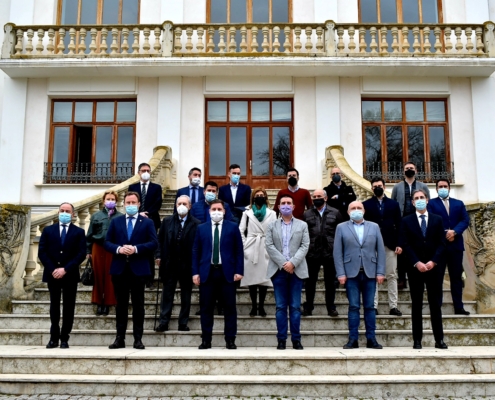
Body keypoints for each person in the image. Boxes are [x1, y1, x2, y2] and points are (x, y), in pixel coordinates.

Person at [104, 191, 158, 350]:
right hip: (119, 269)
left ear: (139, 204)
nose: (130, 205)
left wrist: (135, 249)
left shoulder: (147, 222)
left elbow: (154, 243)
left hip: (138, 269)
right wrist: (119, 249)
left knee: (138, 305)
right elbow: (107, 242)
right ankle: (119, 338)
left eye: (133, 202)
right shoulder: (116, 221)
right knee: (120, 306)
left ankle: (138, 339)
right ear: (124, 204)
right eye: (128, 202)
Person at [192, 199, 244, 350]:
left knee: (230, 308)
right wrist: (195, 272)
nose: (216, 212)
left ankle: (230, 339)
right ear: (209, 211)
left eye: (219, 209)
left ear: (224, 211)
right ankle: (206, 339)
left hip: (227, 273)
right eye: (213, 209)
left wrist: (239, 270)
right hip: (207, 273)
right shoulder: (201, 228)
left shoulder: (233, 227)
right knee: (206, 308)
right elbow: (195, 251)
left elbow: (239, 251)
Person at [334, 201, 385, 350]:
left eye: (359, 208)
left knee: (369, 307)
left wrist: (380, 272)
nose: (356, 210)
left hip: (370, 272)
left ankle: (371, 339)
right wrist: (341, 273)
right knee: (354, 306)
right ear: (348, 212)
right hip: (350, 274)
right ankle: (353, 339)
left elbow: (380, 250)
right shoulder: (341, 227)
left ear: (364, 210)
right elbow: (337, 252)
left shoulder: (374, 227)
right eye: (353, 208)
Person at [400, 189, 447, 349]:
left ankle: (439, 339)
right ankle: (417, 340)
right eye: (416, 198)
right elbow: (405, 244)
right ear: (412, 202)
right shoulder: (406, 221)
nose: (419, 200)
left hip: (434, 268)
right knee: (417, 304)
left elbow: (442, 243)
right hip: (415, 269)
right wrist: (416, 262)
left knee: (435, 304)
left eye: (422, 197)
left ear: (427, 200)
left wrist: (433, 261)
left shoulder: (437, 219)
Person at [38, 202, 86, 349]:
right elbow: (42, 252)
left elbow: (81, 254)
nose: (64, 213)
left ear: (73, 214)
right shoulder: (48, 230)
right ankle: (53, 337)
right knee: (54, 306)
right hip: (52, 274)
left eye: (67, 211)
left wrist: (65, 269)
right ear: (58, 212)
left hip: (70, 275)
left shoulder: (78, 232)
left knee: (69, 307)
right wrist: (54, 269)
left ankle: (65, 337)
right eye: (62, 210)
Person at [265, 194, 309, 350]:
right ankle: (281, 339)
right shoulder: (271, 226)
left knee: (296, 307)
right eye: (283, 203)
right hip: (278, 271)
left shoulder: (302, 225)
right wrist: (284, 263)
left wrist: (292, 263)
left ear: (293, 206)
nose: (285, 205)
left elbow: (305, 246)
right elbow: (269, 246)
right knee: (280, 307)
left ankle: (296, 339)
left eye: (288, 203)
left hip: (297, 271)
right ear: (278, 207)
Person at [155, 195, 200, 332]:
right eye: (179, 203)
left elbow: (198, 245)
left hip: (187, 265)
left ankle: (183, 322)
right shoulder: (167, 221)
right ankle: (164, 322)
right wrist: (158, 255)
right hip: (169, 264)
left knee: (186, 295)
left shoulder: (197, 224)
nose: (181, 206)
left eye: (184, 204)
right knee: (167, 294)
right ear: (175, 205)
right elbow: (159, 241)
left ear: (190, 206)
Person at [427, 179, 470, 315]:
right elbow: (430, 221)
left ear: (449, 188)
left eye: (445, 186)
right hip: (439, 247)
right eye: (440, 186)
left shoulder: (459, 203)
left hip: (456, 246)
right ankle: (436, 307)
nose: (443, 188)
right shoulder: (431, 204)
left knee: (456, 277)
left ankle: (458, 307)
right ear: (436, 189)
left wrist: (455, 231)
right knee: (437, 278)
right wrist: (445, 233)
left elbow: (465, 220)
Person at [363, 177, 403, 317]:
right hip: (372, 245)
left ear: (384, 187)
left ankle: (393, 306)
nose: (377, 188)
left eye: (379, 185)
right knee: (373, 275)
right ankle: (373, 306)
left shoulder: (393, 204)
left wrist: (399, 243)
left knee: (392, 275)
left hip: (390, 244)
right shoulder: (366, 204)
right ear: (372, 188)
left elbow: (399, 225)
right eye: (375, 186)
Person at [302, 189, 343, 317]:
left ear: (325, 198)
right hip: (312, 252)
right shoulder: (306, 214)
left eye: (319, 196)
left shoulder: (335, 213)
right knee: (310, 282)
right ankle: (308, 307)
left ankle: (331, 307)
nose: (316, 198)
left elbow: (340, 232)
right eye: (314, 196)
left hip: (330, 252)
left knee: (330, 282)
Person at [391, 161, 430, 290]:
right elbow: (394, 204)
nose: (409, 170)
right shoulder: (397, 187)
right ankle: (402, 279)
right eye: (407, 168)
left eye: (411, 168)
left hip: (418, 220)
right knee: (402, 250)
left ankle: (422, 274)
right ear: (403, 171)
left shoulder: (423, 186)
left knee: (419, 248)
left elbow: (427, 202)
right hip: (403, 222)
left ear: (416, 170)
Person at [239, 187, 276, 317]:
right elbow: (241, 229)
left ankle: (262, 306)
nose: (259, 196)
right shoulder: (246, 213)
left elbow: (274, 231)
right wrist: (245, 245)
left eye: (262, 195)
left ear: (265, 197)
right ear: (253, 197)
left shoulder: (272, 213)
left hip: (265, 246)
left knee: (264, 279)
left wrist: (271, 246)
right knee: (252, 279)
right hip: (251, 246)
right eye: (257, 195)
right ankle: (254, 306)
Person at [86, 190, 123, 316]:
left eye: (113, 199)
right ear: (103, 201)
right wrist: (88, 250)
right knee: (97, 275)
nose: (110, 201)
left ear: (116, 201)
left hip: (113, 248)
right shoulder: (96, 216)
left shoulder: (120, 217)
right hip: (98, 247)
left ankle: (108, 302)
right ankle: (98, 302)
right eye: (108, 199)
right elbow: (90, 234)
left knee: (110, 276)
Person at [128, 162, 163, 283]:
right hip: (135, 222)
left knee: (150, 249)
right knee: (137, 248)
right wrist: (138, 214)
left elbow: (158, 203)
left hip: (151, 220)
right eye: (143, 170)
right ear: (139, 173)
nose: (146, 173)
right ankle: (138, 276)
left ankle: (150, 278)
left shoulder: (156, 187)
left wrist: (146, 213)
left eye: (148, 170)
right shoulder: (132, 187)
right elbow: (130, 202)